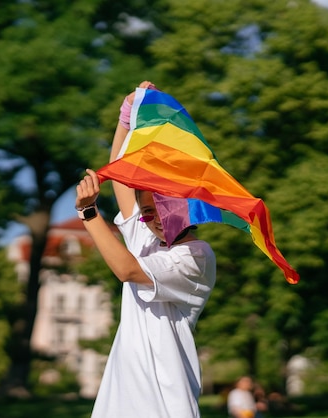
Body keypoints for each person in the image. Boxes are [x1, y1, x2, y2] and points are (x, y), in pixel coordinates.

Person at [75, 81, 217, 418]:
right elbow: (122, 177)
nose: (150, 218)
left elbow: (127, 271)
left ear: (185, 206)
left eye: (159, 208)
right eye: (147, 211)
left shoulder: (196, 257)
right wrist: (127, 117)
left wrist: (88, 213)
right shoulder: (147, 238)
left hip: (166, 407)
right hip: (119, 405)